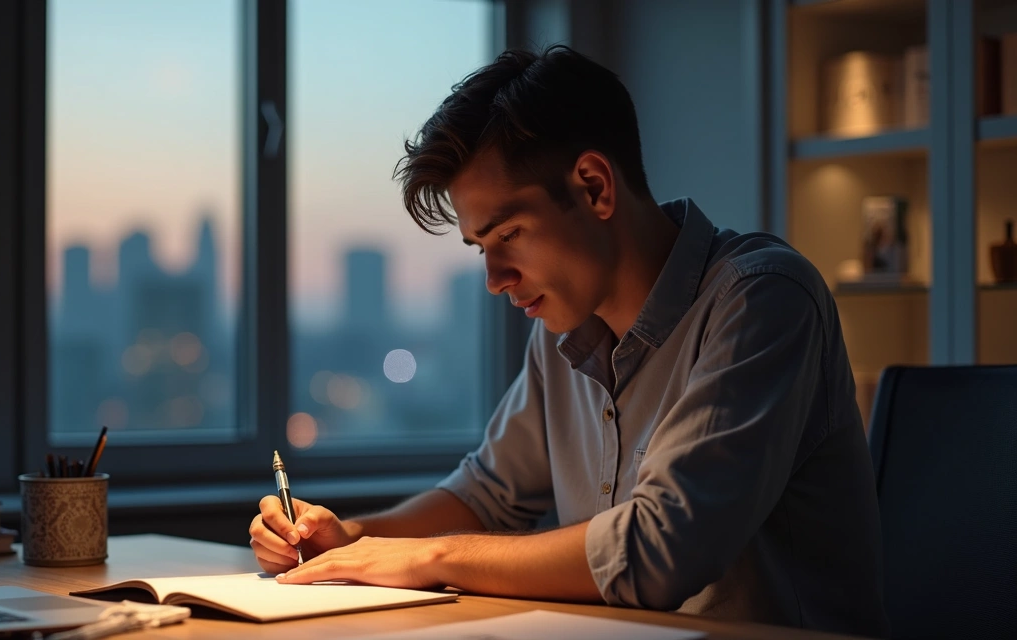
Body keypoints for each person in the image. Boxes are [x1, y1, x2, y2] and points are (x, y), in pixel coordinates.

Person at [248, 45, 889, 637]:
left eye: (509, 236)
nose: (495, 281)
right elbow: (487, 497)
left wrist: (426, 557)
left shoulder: (764, 298)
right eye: (480, 249)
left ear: (594, 186)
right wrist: (351, 540)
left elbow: (660, 550)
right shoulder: (563, 330)